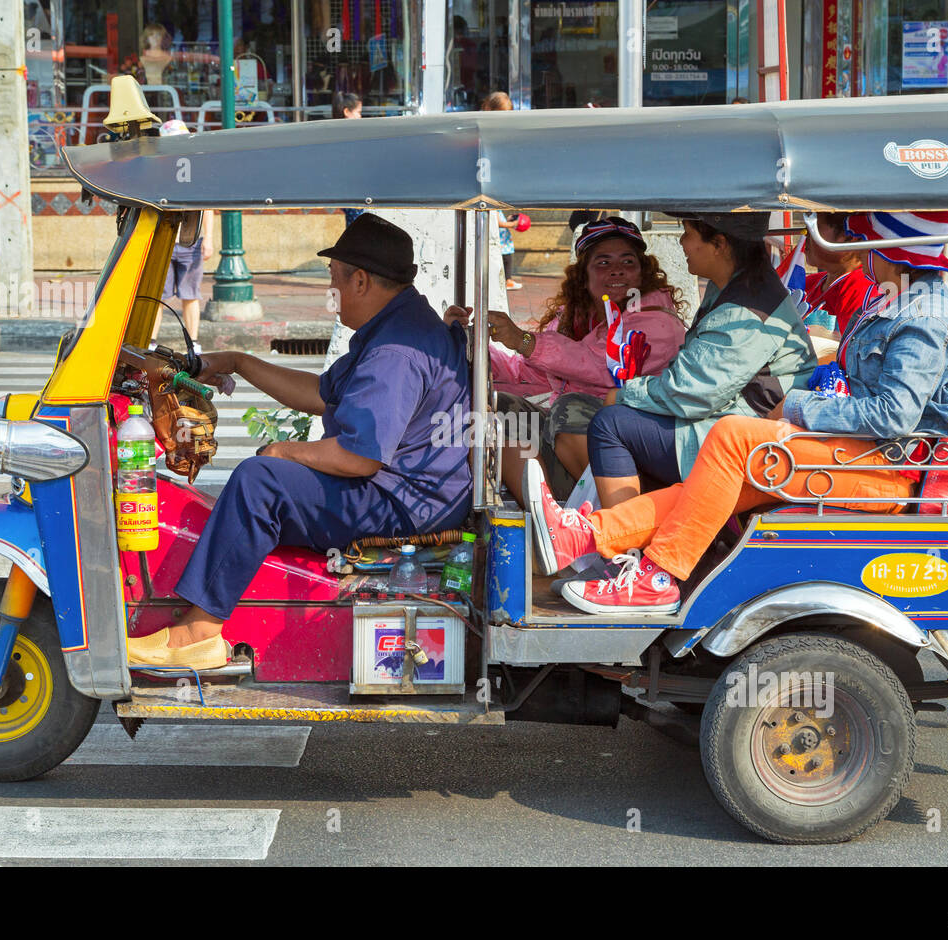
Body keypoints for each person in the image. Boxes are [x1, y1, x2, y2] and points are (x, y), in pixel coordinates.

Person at [528, 211, 948, 614]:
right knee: (710, 481)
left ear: (888, 251)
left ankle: (661, 576)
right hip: (849, 453)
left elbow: (893, 416)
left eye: (866, 242)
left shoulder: (923, 318)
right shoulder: (899, 302)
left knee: (732, 435)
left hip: (878, 466)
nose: (856, 253)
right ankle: (583, 536)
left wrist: (801, 406)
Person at [127, 215, 472, 668]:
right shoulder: (397, 325)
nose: (332, 297)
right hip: (409, 491)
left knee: (261, 480)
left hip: (405, 503)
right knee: (268, 478)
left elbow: (359, 456)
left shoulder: (396, 351)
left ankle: (198, 633)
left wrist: (282, 451)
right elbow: (321, 396)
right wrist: (238, 362)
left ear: (362, 281)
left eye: (334, 283)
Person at [575, 212, 817, 510]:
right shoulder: (734, 285)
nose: (682, 242)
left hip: (749, 440)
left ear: (719, 244)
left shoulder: (745, 309)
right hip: (731, 419)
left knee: (610, 424)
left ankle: (619, 539)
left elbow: (692, 393)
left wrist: (626, 395)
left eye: (688, 233)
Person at [446, 217, 686, 503]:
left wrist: (524, 340)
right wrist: (465, 341)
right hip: (574, 446)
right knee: (499, 409)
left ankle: (623, 510)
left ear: (643, 272)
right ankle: (546, 516)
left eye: (628, 262)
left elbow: (597, 363)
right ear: (584, 276)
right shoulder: (574, 318)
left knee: (570, 407)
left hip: (637, 461)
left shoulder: (656, 320)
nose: (617, 270)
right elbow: (525, 372)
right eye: (603, 262)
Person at [150, 119, 214, 351]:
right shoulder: (157, 170)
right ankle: (151, 340)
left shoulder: (195, 169)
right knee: (158, 295)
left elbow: (206, 207)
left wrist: (209, 239)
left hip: (191, 240)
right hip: (163, 240)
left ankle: (193, 343)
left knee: (190, 294)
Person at [480, 92, 524, 289]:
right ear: (488, 109)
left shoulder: (503, 131)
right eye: (500, 113)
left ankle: (501, 279)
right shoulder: (482, 128)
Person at [332, 93, 367, 228]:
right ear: (347, 112)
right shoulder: (348, 135)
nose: (360, 116)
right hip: (350, 190)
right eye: (358, 112)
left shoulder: (336, 132)